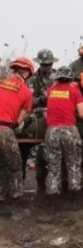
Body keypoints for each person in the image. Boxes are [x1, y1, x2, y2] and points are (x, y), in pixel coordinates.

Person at [44, 66, 83, 201]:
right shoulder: (74, 91)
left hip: (52, 131)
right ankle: (74, 197)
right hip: (69, 130)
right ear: (70, 78)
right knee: (73, 163)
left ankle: (52, 198)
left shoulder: (50, 91)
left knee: (53, 165)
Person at [0, 57, 34, 201]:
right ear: (26, 73)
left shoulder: (1, 83)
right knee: (15, 166)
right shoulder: (26, 91)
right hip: (4, 129)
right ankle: (15, 198)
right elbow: (22, 116)